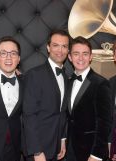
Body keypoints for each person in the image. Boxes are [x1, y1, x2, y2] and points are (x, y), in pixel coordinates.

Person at [22, 29, 70, 161]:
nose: (60, 50)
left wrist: (62, 139)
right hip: (38, 148)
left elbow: (63, 113)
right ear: (48, 48)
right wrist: (37, 151)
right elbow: (28, 115)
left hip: (56, 146)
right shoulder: (34, 75)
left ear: (68, 50)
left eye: (64, 46)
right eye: (55, 45)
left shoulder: (66, 77)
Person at [66, 36, 112, 161]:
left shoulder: (101, 83)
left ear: (91, 57)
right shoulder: (68, 81)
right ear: (70, 57)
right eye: (76, 54)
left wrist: (96, 154)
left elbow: (104, 124)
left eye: (85, 54)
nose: (80, 58)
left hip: (91, 152)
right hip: (70, 150)